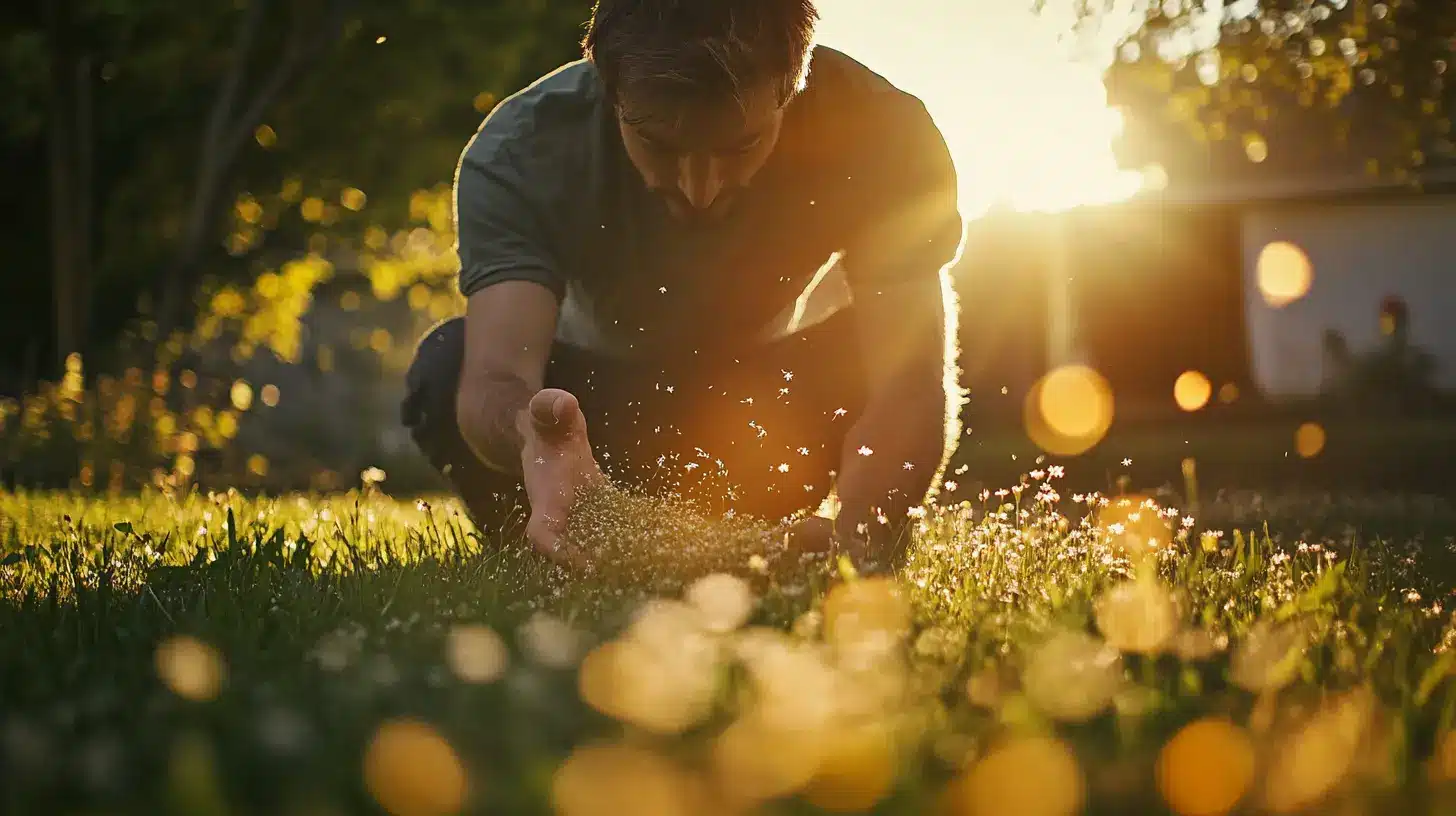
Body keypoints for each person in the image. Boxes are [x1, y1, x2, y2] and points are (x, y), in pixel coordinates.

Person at [402, 0, 966, 569]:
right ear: (608, 87)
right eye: (660, 146)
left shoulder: (881, 133)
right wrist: (537, 436)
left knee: (881, 356)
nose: (700, 190)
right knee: (445, 362)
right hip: (594, 431)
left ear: (791, 89)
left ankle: (786, 544)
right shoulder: (519, 151)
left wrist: (856, 544)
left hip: (764, 429)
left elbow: (907, 387)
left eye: (741, 145)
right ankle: (549, 545)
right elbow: (494, 378)